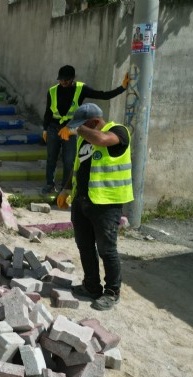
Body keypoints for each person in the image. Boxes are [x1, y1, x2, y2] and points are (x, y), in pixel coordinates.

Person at [56, 103, 133, 311]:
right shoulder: (85, 139)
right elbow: (78, 167)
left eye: (84, 125)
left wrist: (78, 128)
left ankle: (112, 291)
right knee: (85, 245)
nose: (79, 129)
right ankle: (91, 286)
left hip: (106, 204)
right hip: (83, 201)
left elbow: (102, 140)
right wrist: (65, 190)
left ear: (95, 122)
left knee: (107, 250)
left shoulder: (118, 131)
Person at [41, 65, 129, 195]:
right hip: (54, 127)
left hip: (72, 128)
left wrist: (122, 88)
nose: (63, 82)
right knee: (51, 157)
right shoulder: (52, 91)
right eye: (61, 80)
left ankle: (64, 189)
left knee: (69, 159)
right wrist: (45, 129)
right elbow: (48, 111)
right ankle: (49, 184)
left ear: (73, 78)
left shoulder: (81, 88)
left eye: (66, 80)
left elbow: (102, 95)